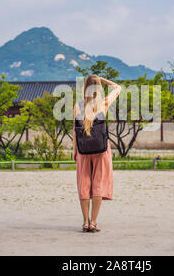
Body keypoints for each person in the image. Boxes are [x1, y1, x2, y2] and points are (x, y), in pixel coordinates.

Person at [73, 74, 121, 232]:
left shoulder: (78, 106)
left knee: (84, 184)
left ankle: (85, 222)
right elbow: (118, 87)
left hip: (83, 150)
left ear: (85, 87)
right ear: (98, 87)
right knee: (98, 184)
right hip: (101, 150)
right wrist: (102, 79)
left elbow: (75, 130)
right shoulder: (104, 103)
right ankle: (93, 222)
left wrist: (75, 151)